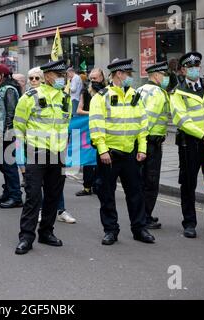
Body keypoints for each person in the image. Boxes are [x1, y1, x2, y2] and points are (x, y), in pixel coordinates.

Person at [89, 58, 155, 246]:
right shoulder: (101, 96)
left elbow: (143, 125)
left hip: (131, 153)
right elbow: (96, 126)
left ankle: (139, 229)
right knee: (107, 193)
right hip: (109, 153)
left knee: (136, 193)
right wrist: (102, 150)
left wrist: (142, 148)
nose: (131, 77)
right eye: (129, 74)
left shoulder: (135, 95)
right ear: (119, 74)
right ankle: (111, 230)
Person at [13, 59, 71, 255]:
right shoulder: (30, 97)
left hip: (59, 155)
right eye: (59, 75)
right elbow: (18, 127)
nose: (62, 78)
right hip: (36, 153)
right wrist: (21, 157)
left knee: (54, 197)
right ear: (48, 76)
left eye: (63, 75)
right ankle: (26, 238)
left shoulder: (65, 98)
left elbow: (66, 125)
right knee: (33, 196)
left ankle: (46, 232)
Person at [170, 52, 204, 238]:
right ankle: (189, 223)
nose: (195, 69)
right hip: (190, 143)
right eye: (191, 67)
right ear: (184, 70)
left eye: (197, 66)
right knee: (188, 184)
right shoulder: (178, 92)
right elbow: (182, 120)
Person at [137, 61, 171, 230]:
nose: (166, 78)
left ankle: (141, 214)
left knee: (141, 179)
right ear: (157, 75)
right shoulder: (158, 93)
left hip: (141, 142)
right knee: (151, 181)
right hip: (151, 142)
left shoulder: (140, 89)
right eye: (164, 74)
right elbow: (148, 119)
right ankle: (146, 216)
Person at [0, 64, 23, 209]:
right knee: (3, 166)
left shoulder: (9, 90)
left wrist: (8, 132)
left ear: (2, 75)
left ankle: (16, 196)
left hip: (6, 133)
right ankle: (8, 192)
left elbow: (11, 112)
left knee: (9, 165)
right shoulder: (1, 89)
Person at [75, 68, 106, 197]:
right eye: (91, 78)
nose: (93, 81)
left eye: (96, 78)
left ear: (102, 78)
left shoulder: (107, 92)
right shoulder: (85, 92)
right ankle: (87, 187)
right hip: (89, 128)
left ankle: (100, 185)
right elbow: (79, 110)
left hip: (104, 128)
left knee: (101, 156)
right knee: (89, 157)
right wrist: (93, 112)